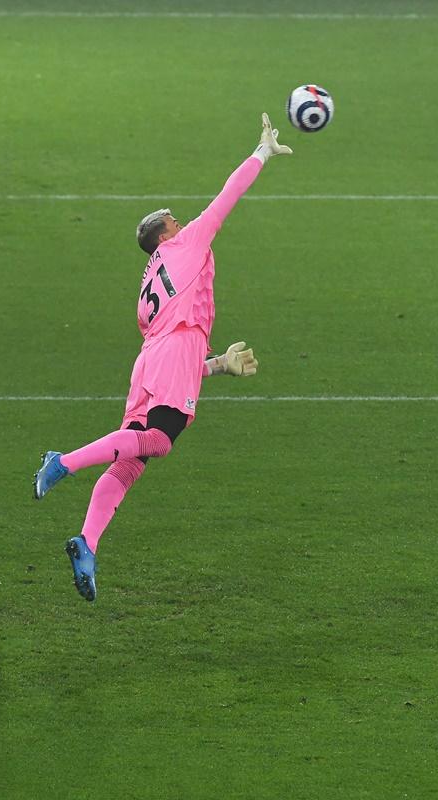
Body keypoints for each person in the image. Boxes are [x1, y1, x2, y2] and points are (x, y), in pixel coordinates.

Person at [33, 113, 292, 601]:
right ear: (165, 233)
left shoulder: (149, 282)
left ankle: (87, 543)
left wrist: (215, 366)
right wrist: (261, 152)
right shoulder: (187, 242)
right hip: (173, 349)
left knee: (132, 458)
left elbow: (169, 341)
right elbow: (227, 197)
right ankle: (62, 461)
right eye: (173, 216)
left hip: (151, 359)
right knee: (158, 439)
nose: (182, 217)